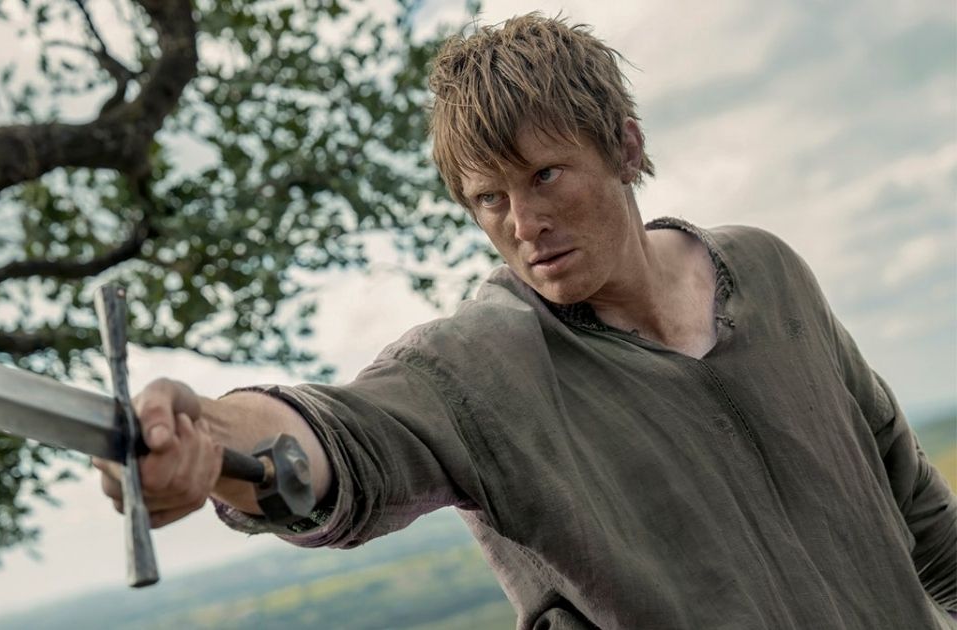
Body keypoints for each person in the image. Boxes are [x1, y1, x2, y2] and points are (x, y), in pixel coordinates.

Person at [95, 13, 956, 629]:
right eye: (488, 199)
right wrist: (208, 436)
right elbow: (344, 438)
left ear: (625, 147)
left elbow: (918, 510)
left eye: (545, 176)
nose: (522, 222)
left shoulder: (767, 271)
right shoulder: (481, 366)